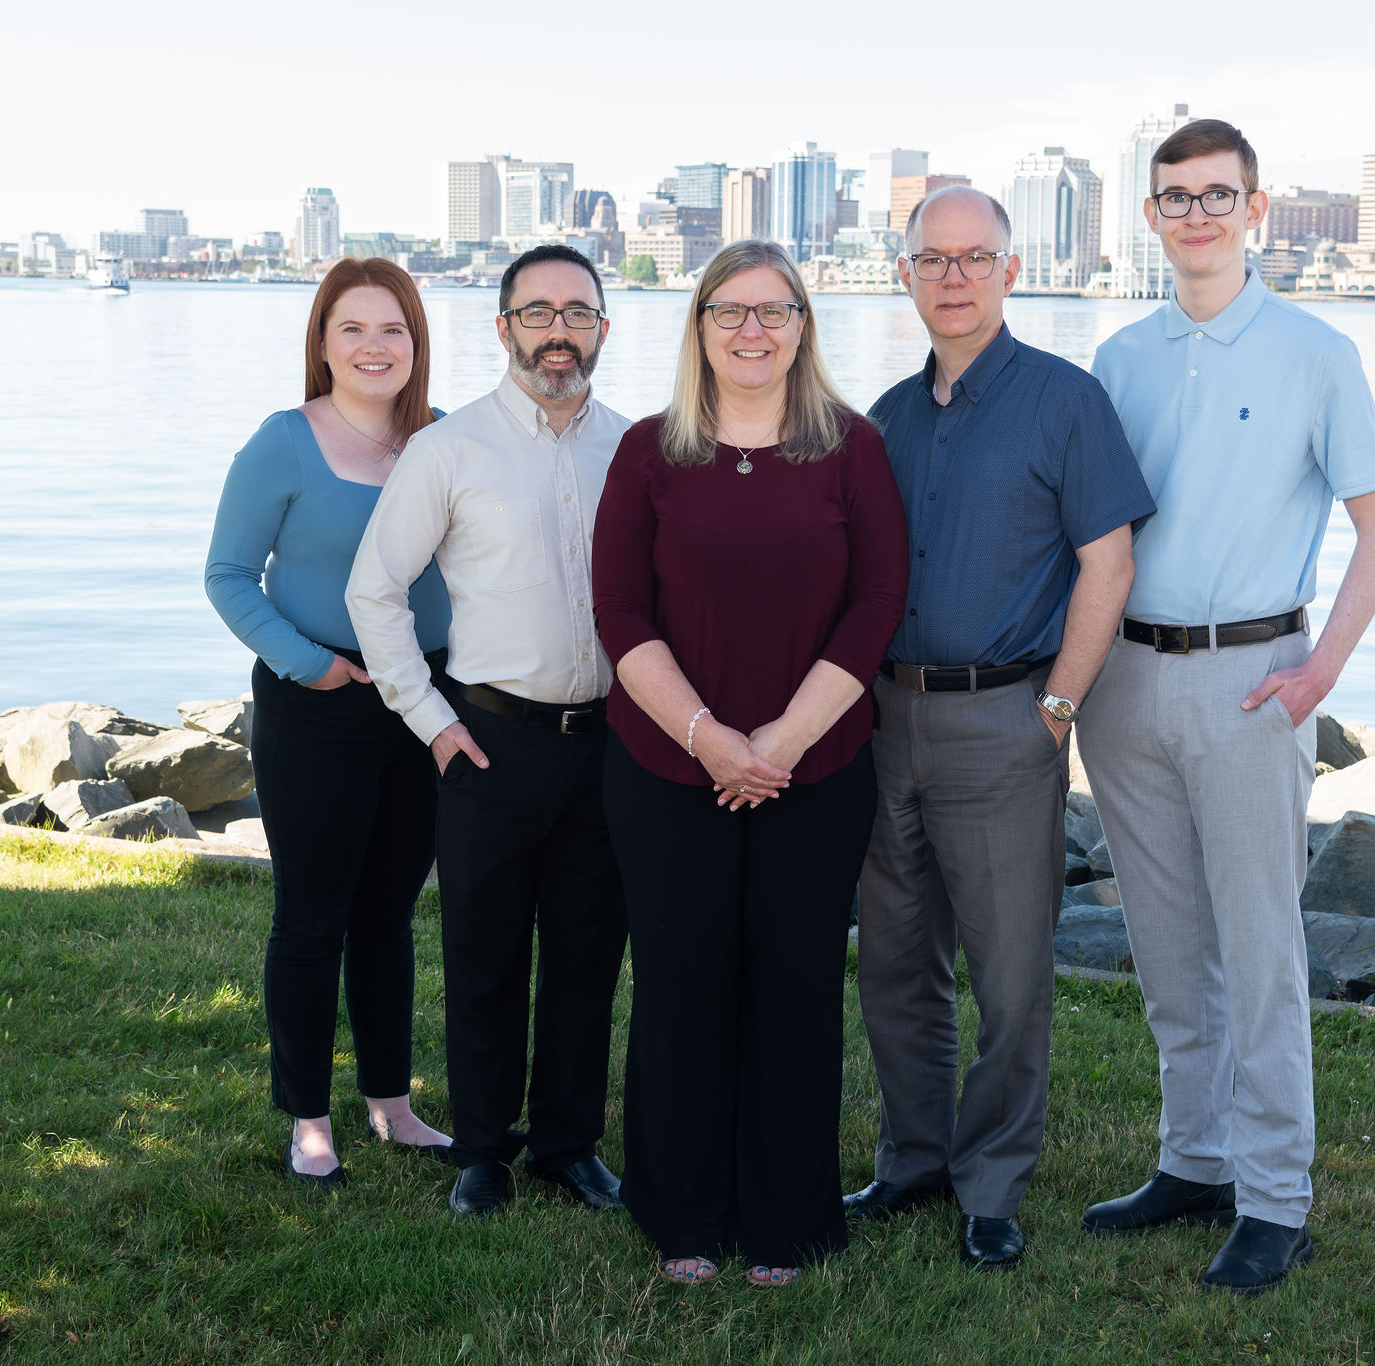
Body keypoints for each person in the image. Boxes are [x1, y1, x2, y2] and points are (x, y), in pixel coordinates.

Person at [1078, 118, 1375, 1294]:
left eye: (1217, 194)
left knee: (1259, 952)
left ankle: (1274, 1199)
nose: (1197, 214)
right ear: (1151, 215)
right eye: (1175, 196)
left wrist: (1319, 674)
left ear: (1254, 209)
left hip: (1251, 678)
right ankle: (1194, 1160)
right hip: (1125, 678)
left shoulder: (1315, 353)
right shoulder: (1118, 358)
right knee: (1167, 949)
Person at [591, 239, 908, 1287]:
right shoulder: (648, 452)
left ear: (803, 327)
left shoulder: (852, 449)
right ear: (699, 326)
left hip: (814, 769)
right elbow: (619, 612)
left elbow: (876, 603)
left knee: (794, 987)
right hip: (664, 766)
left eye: (774, 311)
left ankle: (785, 1221)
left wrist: (779, 742)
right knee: (679, 985)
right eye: (729, 310)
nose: (752, 330)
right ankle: (679, 1213)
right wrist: (708, 737)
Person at [850, 188, 1156, 1270]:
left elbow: (1109, 564)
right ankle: (912, 1159)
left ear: (1010, 271)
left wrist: (1056, 709)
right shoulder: (883, 418)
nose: (952, 277)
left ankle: (990, 1185)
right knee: (894, 962)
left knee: (1011, 977)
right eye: (931, 259)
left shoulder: (1066, 402)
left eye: (974, 257)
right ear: (904, 275)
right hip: (885, 719)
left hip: (1005, 721)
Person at [347, 244, 631, 1218]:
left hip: (609, 745)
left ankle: (568, 1145)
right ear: (503, 327)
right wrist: (430, 721)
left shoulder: (636, 449)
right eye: (538, 312)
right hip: (489, 741)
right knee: (484, 955)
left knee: (587, 954)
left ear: (603, 329)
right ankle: (482, 1150)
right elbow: (374, 592)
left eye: (578, 312)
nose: (559, 331)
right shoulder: (449, 449)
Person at [205, 256, 454, 1190]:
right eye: (352, 328)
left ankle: (392, 1102)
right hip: (317, 705)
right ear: (322, 342)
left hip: (424, 700)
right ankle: (309, 1119)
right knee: (312, 919)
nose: (373, 346)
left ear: (417, 342)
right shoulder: (283, 443)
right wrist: (311, 666)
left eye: (393, 328)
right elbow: (229, 576)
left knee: (389, 915)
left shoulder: (444, 439)